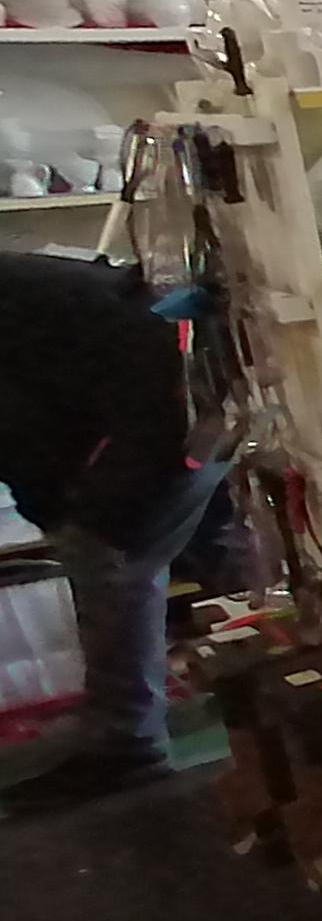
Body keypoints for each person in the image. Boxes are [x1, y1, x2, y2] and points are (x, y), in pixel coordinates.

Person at [0, 250, 227, 812]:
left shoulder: (26, 294)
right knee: (159, 559)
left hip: (164, 406)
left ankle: (128, 748)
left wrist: (92, 502)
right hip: (151, 406)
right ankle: (136, 730)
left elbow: (144, 354)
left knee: (110, 562)